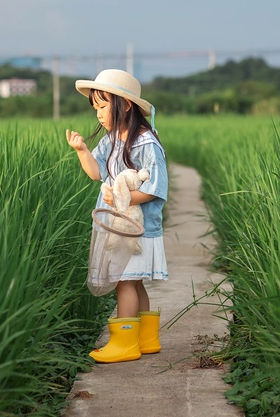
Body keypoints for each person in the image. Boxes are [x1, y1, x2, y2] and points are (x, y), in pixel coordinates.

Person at [65, 69, 168, 363]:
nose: (98, 113)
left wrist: (122, 197)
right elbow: (97, 173)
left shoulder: (146, 142)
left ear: (124, 104)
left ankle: (124, 343)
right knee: (134, 282)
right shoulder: (111, 140)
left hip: (135, 227)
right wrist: (82, 150)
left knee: (125, 282)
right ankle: (146, 339)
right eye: (95, 108)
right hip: (119, 224)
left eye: (102, 106)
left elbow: (154, 188)